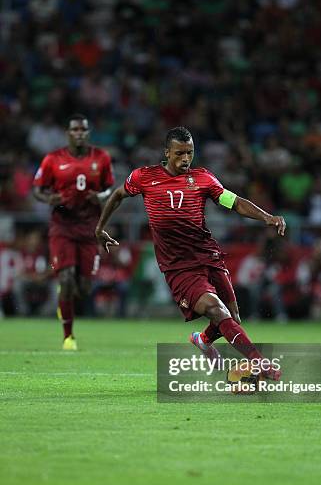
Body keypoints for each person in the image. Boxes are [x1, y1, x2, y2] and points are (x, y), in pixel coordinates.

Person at [96, 126, 286, 379]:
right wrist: (100, 228)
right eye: (179, 153)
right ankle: (260, 364)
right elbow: (118, 195)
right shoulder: (144, 177)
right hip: (178, 266)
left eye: (190, 153)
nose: (185, 159)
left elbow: (235, 202)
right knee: (218, 311)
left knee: (233, 318)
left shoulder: (204, 178)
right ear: (167, 153)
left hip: (209, 255)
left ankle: (203, 340)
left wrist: (266, 217)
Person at [33, 114, 114, 350]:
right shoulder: (53, 159)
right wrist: (50, 198)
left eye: (83, 130)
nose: (79, 133)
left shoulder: (101, 157)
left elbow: (110, 188)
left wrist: (98, 196)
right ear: (68, 133)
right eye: (75, 129)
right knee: (66, 279)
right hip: (62, 226)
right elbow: (37, 189)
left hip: (90, 227)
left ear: (88, 133)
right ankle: (68, 336)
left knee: (85, 288)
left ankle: (65, 298)